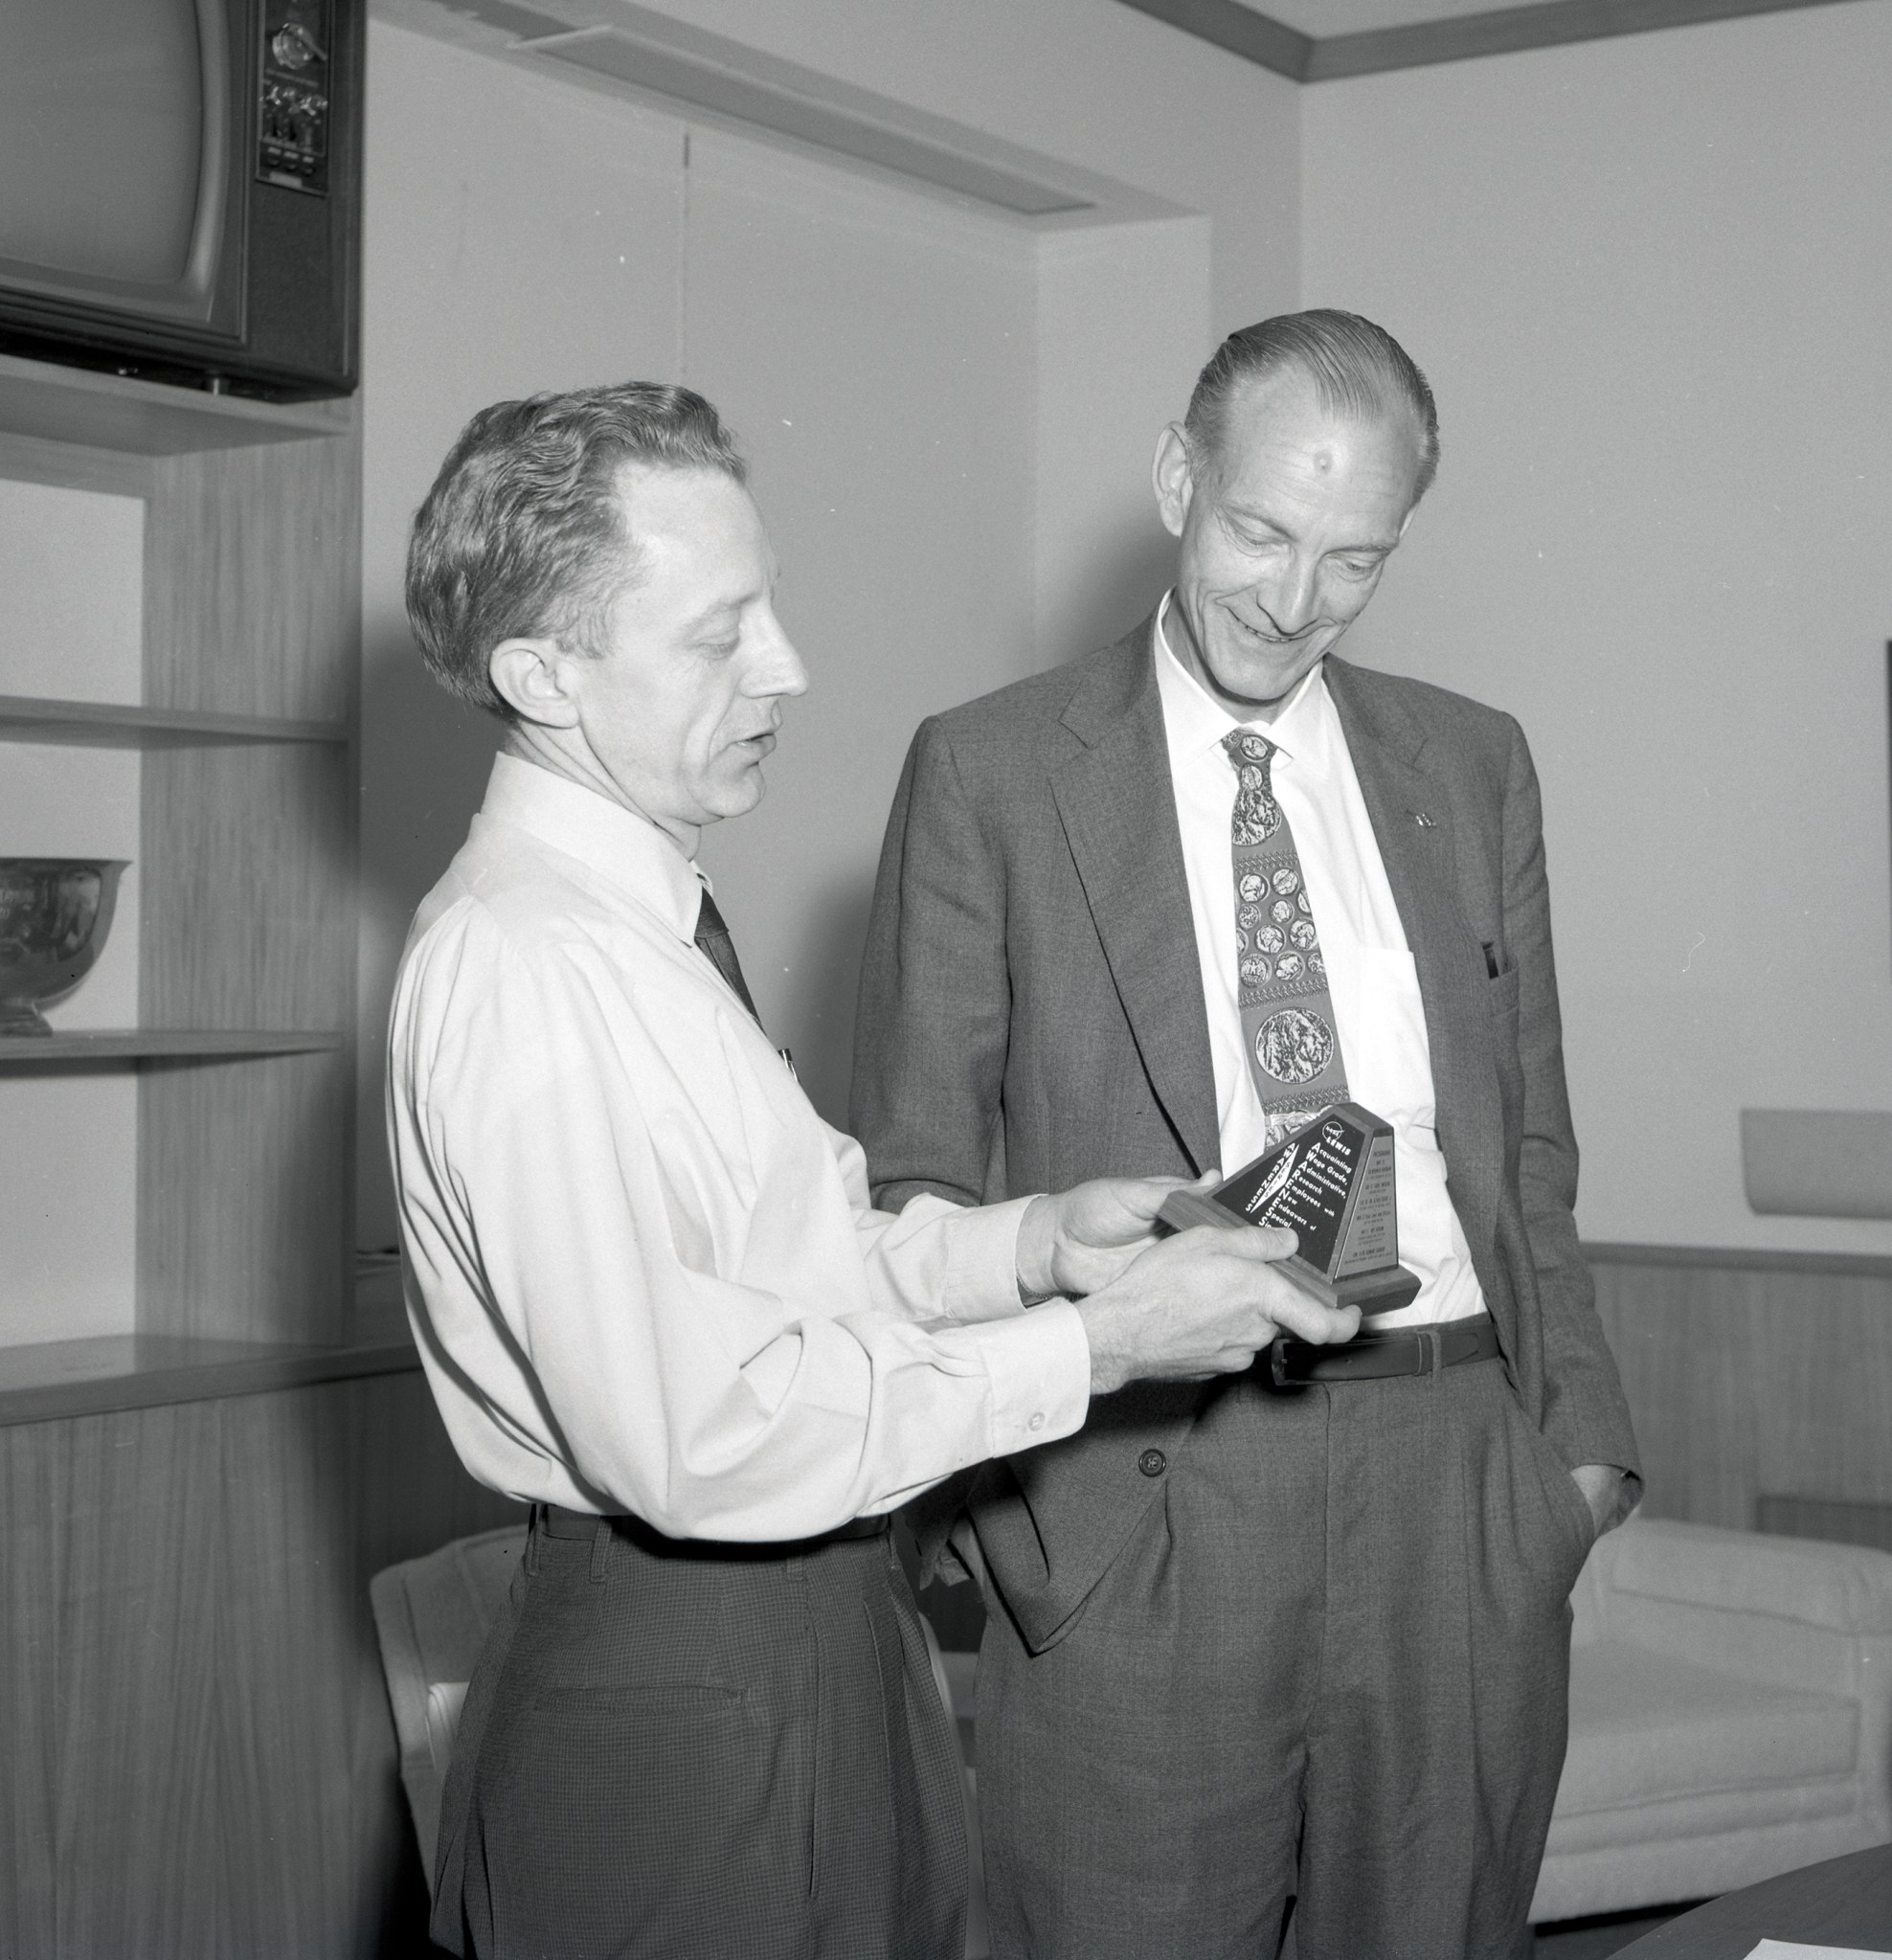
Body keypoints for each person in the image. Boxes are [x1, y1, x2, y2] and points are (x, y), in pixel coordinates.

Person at [386, 380, 1359, 1960]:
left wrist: (1037, 1248)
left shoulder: (634, 929)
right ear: (540, 672)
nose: (788, 667)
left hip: (808, 1646)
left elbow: (793, 1262)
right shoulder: (525, 965)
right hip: (693, 1679)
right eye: (720, 633)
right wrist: (1099, 1350)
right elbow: (694, 1437)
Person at [851, 312, 1642, 1960]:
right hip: (1147, 1496)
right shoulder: (989, 773)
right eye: (1261, 534)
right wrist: (1021, 1528)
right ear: (1173, 480)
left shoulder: (1475, 764)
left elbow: (1532, 1150)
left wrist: (1568, 1471)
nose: (1295, 605)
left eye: (1355, 562)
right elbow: (917, 1183)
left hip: (1457, 1480)